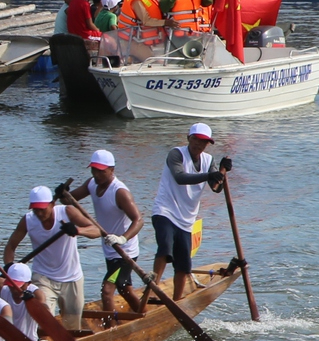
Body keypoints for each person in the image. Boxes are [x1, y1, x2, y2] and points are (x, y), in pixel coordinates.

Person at [2, 185, 101, 336]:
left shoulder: (67, 212)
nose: (39, 213)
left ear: (52, 204)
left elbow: (96, 230)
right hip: (43, 277)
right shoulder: (28, 220)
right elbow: (10, 247)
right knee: (43, 320)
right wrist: (9, 268)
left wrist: (77, 230)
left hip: (72, 277)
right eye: (36, 210)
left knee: (72, 326)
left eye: (43, 209)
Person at [148, 123, 228, 300]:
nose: (198, 144)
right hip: (165, 211)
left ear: (208, 144)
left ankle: (176, 302)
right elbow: (180, 177)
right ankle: (152, 291)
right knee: (165, 248)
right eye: (195, 140)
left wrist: (222, 170)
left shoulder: (208, 160)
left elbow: (216, 187)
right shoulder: (176, 154)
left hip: (186, 220)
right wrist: (209, 175)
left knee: (183, 265)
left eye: (203, 142)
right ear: (188, 138)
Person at [72, 149, 144, 314]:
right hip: (110, 249)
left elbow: (139, 220)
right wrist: (62, 193)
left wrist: (122, 239)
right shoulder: (91, 184)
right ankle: (142, 313)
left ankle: (110, 328)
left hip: (124, 251)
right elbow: (70, 198)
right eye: (93, 170)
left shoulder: (120, 192)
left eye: (101, 171)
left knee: (107, 291)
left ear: (112, 170)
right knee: (124, 288)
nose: (96, 174)